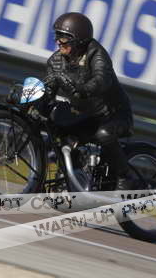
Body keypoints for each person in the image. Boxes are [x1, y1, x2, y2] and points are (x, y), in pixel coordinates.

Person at [44, 12, 133, 190]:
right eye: (57, 36)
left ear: (78, 40)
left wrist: (82, 89)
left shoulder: (96, 54)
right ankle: (72, 177)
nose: (58, 41)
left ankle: (125, 177)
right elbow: (49, 89)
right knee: (55, 132)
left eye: (64, 38)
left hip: (112, 115)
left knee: (104, 135)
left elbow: (102, 80)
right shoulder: (55, 61)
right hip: (85, 116)